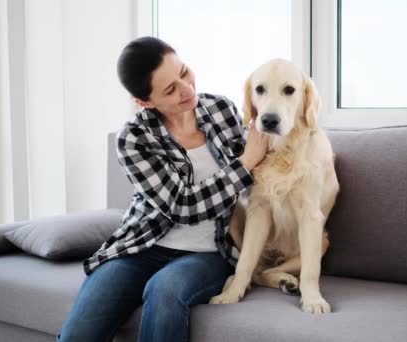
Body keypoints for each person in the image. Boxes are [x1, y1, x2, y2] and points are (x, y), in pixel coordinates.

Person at [56, 36, 269, 342]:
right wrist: (245, 163)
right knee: (79, 332)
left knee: (165, 289)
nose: (187, 89)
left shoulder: (222, 110)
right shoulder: (134, 139)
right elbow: (183, 207)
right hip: (142, 247)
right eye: (170, 89)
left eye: (183, 72)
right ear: (145, 102)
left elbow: (263, 168)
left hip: (210, 251)